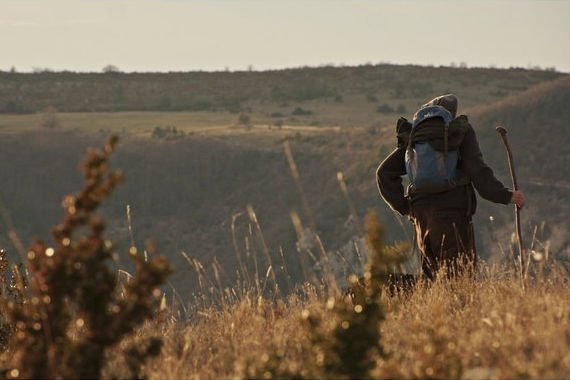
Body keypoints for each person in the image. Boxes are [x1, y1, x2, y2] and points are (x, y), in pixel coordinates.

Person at [376, 94, 525, 279]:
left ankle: (420, 303)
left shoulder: (415, 136)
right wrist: (507, 196)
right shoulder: (458, 132)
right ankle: (392, 287)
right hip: (453, 214)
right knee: (459, 279)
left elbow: (384, 173)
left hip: (421, 216)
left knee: (431, 279)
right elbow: (477, 170)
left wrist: (407, 208)